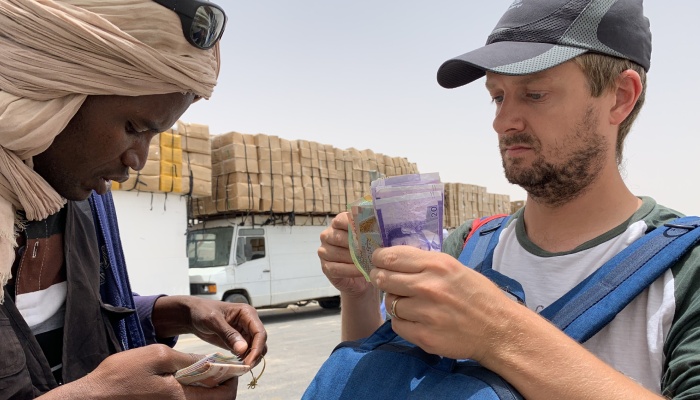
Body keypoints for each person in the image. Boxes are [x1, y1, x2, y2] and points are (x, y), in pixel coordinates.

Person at [318, 0, 700, 398]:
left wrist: (498, 332)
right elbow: (385, 377)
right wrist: (359, 294)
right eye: (498, 96)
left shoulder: (685, 268)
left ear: (620, 97)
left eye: (534, 94)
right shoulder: (466, 248)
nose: (502, 122)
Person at [0, 1, 267, 399]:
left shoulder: (84, 198)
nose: (138, 160)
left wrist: (176, 313)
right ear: (53, 90)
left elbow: (78, 319)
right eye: (133, 127)